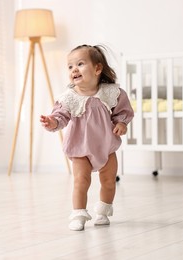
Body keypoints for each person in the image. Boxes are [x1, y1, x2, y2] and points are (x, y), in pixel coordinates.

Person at [40, 44, 134, 231]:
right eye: (70, 66)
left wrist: (121, 124)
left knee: (108, 182)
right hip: (80, 149)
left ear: (97, 68)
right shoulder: (69, 98)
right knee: (81, 181)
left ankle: (103, 211)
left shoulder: (111, 93)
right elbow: (61, 117)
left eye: (80, 64)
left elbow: (123, 112)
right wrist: (52, 122)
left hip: (106, 148)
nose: (74, 69)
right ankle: (78, 214)